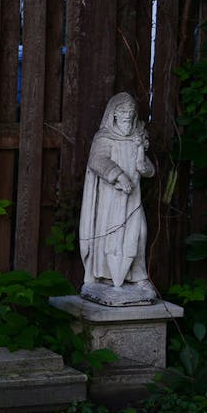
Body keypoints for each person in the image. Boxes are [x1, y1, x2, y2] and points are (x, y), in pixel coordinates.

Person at [79, 91, 157, 299]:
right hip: (110, 201)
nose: (126, 115)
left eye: (130, 111)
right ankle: (106, 278)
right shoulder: (104, 137)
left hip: (133, 200)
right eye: (122, 111)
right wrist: (118, 176)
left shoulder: (137, 138)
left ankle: (138, 276)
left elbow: (148, 171)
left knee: (139, 235)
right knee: (111, 238)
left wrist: (142, 161)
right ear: (113, 114)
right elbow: (97, 161)